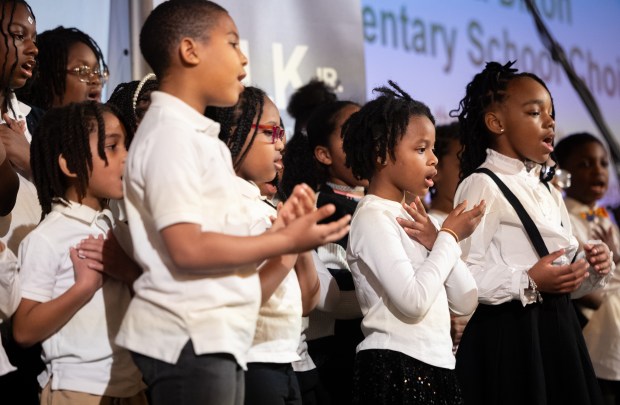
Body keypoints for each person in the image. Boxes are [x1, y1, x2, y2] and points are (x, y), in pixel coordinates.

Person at [115, 2, 350, 405]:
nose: (243, 58)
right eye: (232, 43)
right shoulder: (171, 135)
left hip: (217, 336)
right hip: (189, 337)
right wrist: (282, 241)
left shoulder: (198, 138)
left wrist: (283, 234)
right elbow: (187, 248)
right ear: (190, 51)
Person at [452, 61, 614, 405]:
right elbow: (461, 275)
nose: (550, 121)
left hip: (558, 330)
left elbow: (566, 283)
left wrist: (589, 268)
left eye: (551, 112)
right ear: (496, 123)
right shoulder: (482, 183)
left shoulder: (550, 190)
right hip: (511, 335)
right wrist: (528, 280)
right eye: (534, 112)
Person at [342, 81, 483, 405]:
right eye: (421, 149)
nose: (433, 159)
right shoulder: (372, 216)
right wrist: (448, 237)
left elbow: (465, 301)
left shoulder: (425, 221)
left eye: (433, 148)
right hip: (394, 366)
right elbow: (413, 301)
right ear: (381, 153)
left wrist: (438, 239)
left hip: (439, 364)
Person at [12, 101, 146, 404]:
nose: (126, 156)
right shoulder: (48, 237)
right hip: (75, 391)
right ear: (71, 165)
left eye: (126, 144)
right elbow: (24, 330)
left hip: (132, 387)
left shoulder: (121, 232)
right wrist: (83, 288)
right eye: (113, 147)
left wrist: (126, 271)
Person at [208, 85, 323, 405]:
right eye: (271, 131)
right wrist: (289, 247)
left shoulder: (266, 207)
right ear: (233, 134)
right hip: (249, 362)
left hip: (284, 359)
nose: (281, 143)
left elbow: (307, 302)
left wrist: (300, 243)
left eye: (282, 132)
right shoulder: (223, 205)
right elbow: (236, 301)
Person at [299, 100, 366, 405]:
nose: (365, 138)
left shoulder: (396, 203)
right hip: (338, 357)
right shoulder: (320, 208)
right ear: (323, 154)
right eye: (351, 131)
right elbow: (330, 296)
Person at [555, 132, 620, 404]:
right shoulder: (565, 218)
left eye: (603, 163)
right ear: (562, 173)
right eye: (585, 164)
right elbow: (589, 290)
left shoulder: (606, 217)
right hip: (594, 323)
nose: (598, 171)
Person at [16, 26, 108, 110]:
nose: (96, 80)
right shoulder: (21, 126)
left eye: (97, 71)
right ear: (45, 78)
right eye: (83, 70)